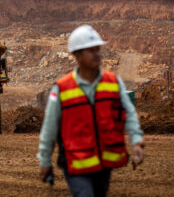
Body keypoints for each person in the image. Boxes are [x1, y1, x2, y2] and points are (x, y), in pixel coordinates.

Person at [38, 25, 144, 197]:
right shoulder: (61, 89)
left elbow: (129, 114)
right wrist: (44, 160)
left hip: (104, 163)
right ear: (77, 55)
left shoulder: (113, 82)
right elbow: (49, 128)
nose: (97, 54)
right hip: (76, 164)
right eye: (91, 50)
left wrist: (137, 142)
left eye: (98, 49)